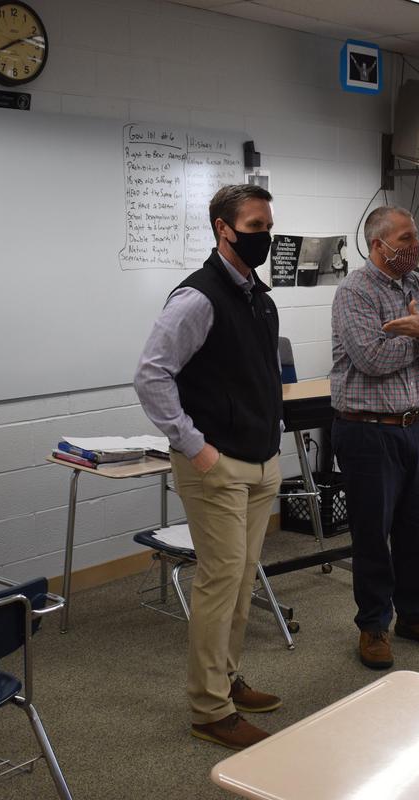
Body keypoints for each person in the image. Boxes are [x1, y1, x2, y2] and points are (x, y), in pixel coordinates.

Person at [135, 184, 283, 750]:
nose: (264, 236)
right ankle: (209, 708)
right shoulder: (197, 298)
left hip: (260, 460)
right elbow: (151, 375)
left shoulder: (259, 298)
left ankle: (227, 678)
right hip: (216, 464)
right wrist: (194, 446)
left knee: (242, 581)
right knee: (220, 583)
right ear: (223, 229)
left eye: (268, 225)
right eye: (254, 227)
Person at [330, 205, 419, 670]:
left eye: (415, 236)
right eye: (405, 238)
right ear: (378, 244)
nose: (415, 246)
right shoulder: (354, 292)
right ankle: (373, 625)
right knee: (372, 533)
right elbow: (372, 358)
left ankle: (415, 615)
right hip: (367, 430)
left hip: (416, 426)